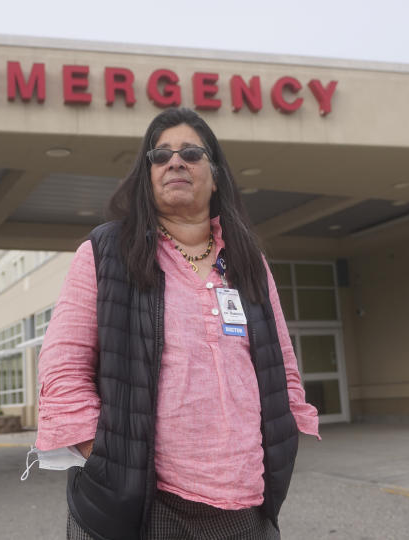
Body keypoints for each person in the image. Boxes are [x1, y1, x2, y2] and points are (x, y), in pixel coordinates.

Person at [36, 107, 320, 540]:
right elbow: (63, 369)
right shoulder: (104, 252)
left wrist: (282, 443)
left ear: (216, 174)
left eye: (191, 152)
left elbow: (283, 366)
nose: (175, 161)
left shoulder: (249, 263)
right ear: (146, 175)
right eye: (159, 154)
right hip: (145, 507)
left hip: (248, 505)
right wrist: (106, 457)